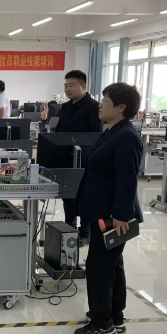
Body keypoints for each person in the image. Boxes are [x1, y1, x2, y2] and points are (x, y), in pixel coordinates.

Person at [73, 82, 143, 334]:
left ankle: (101, 324)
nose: (100, 104)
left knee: (99, 267)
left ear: (121, 107)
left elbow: (128, 180)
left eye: (105, 101)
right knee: (113, 264)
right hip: (103, 210)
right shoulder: (113, 131)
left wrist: (121, 216)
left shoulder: (126, 136)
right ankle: (114, 315)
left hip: (113, 216)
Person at [55, 70, 102, 246]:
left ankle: (85, 233)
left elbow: (96, 136)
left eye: (71, 85)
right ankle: (69, 228)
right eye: (65, 85)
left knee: (84, 195)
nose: (67, 89)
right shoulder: (66, 107)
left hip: (85, 160)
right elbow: (59, 133)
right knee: (68, 195)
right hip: (66, 158)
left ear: (83, 86)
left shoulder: (93, 107)